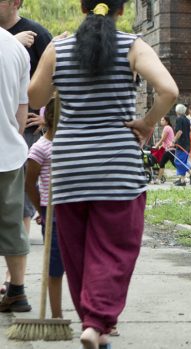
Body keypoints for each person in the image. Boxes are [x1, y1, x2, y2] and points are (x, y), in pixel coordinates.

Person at [28, 1, 178, 348]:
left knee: (77, 253)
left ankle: (92, 323)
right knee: (114, 250)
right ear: (121, 9)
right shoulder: (133, 46)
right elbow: (169, 90)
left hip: (70, 169)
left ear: (82, 6)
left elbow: (35, 95)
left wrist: (55, 63)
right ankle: (96, 323)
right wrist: (148, 122)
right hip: (117, 170)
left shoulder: (59, 47)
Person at [0, 0, 52, 292]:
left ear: (16, 2)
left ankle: (12, 280)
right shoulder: (15, 44)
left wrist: (45, 116)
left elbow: (56, 79)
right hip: (12, 134)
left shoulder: (36, 34)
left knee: (19, 206)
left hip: (22, 133)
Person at [0, 26, 32, 313]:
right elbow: (22, 107)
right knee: (11, 224)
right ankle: (17, 292)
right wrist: (14, 138)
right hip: (6, 152)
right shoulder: (16, 48)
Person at [24, 98, 65, 318]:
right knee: (55, 265)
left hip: (74, 209)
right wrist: (41, 209)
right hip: (52, 213)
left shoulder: (71, 145)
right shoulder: (40, 148)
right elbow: (29, 183)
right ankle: (56, 315)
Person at [172, 103, 191, 186]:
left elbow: (179, 131)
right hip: (187, 143)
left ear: (177, 111)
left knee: (177, 161)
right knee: (182, 161)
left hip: (181, 144)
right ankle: (182, 180)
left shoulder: (179, 119)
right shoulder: (187, 119)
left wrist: (173, 141)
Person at [153, 115, 175, 184]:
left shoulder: (166, 128)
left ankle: (186, 176)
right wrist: (161, 146)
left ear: (166, 122)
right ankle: (158, 179)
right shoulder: (168, 127)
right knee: (163, 163)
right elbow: (166, 140)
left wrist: (157, 145)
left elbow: (163, 139)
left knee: (164, 163)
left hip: (169, 149)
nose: (161, 121)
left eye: (163, 120)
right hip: (169, 149)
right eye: (161, 120)